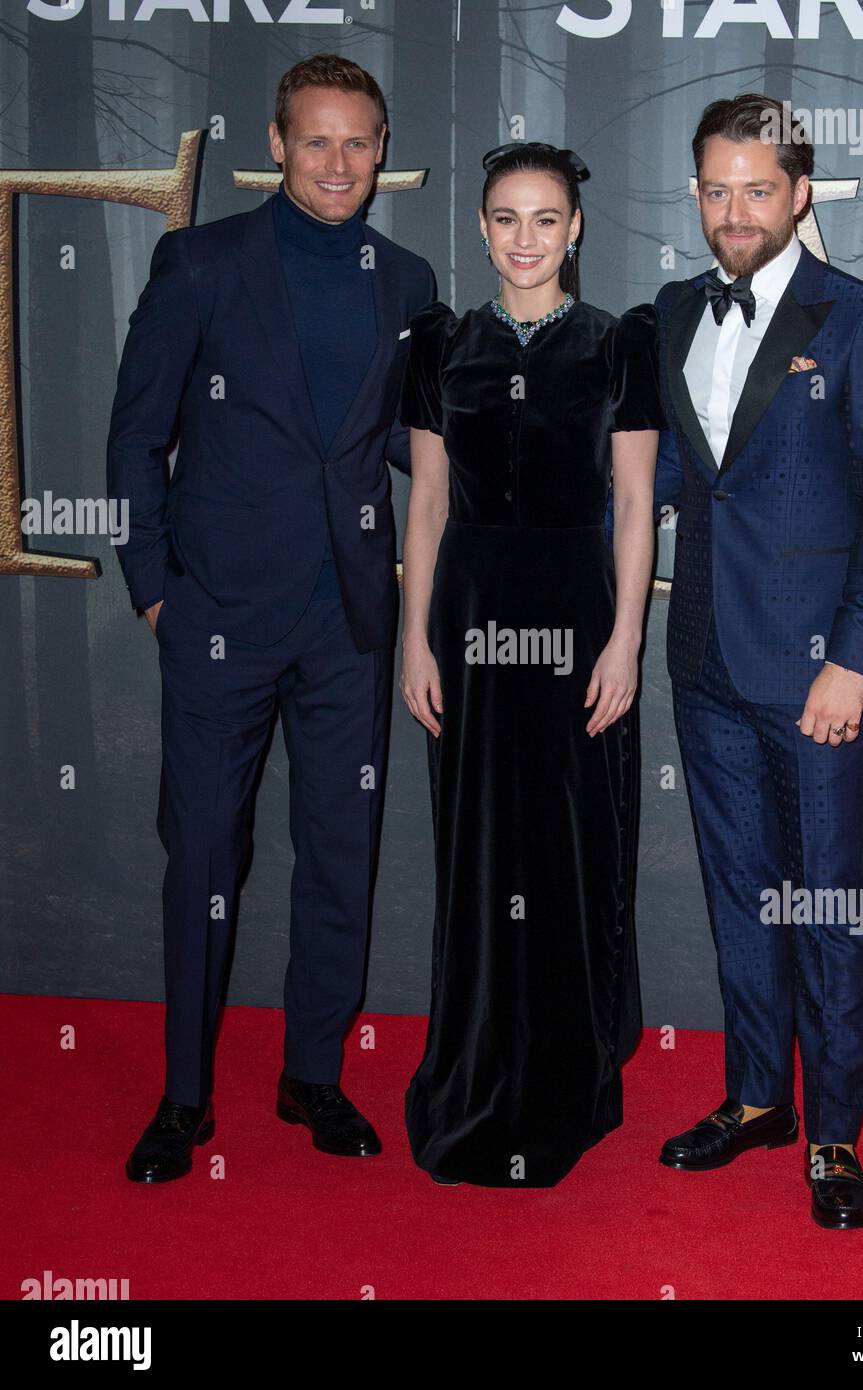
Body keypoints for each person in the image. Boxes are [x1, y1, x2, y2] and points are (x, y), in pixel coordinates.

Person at [107, 54, 435, 1183]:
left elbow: (408, 447)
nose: (338, 161)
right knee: (203, 852)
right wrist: (156, 588)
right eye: (316, 140)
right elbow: (134, 436)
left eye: (358, 141)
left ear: (382, 149)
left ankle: (312, 1074)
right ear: (277, 143)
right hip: (217, 621)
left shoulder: (408, 280)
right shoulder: (200, 263)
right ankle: (184, 1097)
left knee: (339, 854)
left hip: (349, 620)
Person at [643, 95, 863, 1227]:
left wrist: (855, 660)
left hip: (817, 673)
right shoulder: (670, 313)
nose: (734, 212)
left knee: (824, 902)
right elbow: (660, 482)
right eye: (714, 189)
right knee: (739, 896)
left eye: (756, 189)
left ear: (800, 192)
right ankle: (757, 1096)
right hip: (704, 662)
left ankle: (833, 1135)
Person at [397, 141, 665, 1187]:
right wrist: (415, 637)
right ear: (478, 226)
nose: (524, 239)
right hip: (465, 617)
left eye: (544, 218)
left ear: (575, 228)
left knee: (566, 845)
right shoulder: (438, 344)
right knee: (476, 848)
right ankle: (472, 1065)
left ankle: (565, 1073)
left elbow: (636, 503)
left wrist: (624, 643)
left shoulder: (615, 344)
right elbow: (423, 501)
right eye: (505, 218)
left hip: (573, 613)